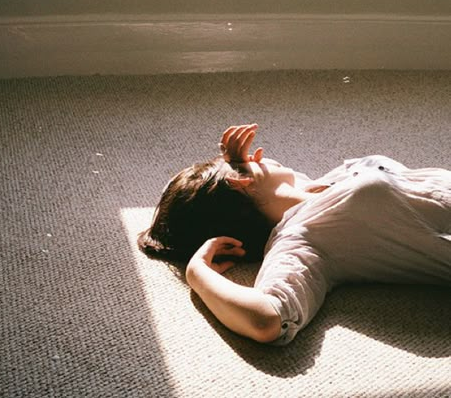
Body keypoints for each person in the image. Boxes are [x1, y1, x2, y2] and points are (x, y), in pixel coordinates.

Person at [138, 124, 451, 345]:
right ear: (240, 184)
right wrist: (198, 275)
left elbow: (283, 187)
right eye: (241, 164)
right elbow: (265, 320)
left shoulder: (320, 185)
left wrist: (237, 166)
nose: (255, 155)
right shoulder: (301, 240)